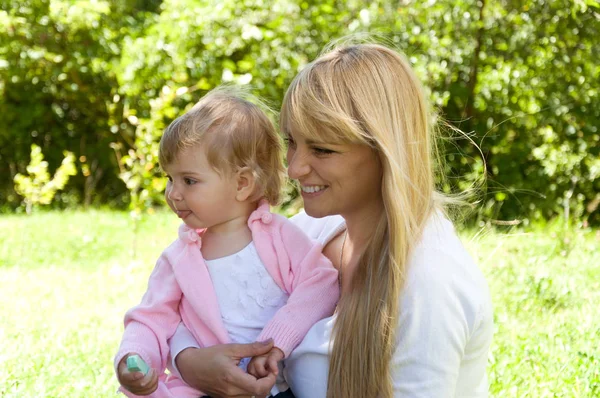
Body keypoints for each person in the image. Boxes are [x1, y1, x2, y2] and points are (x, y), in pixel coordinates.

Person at [168, 42, 494, 397]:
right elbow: (202, 303)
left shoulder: (430, 281)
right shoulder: (310, 233)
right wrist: (190, 362)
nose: (294, 168)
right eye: (292, 142)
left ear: (385, 150)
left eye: (322, 149)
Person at [113, 88, 339, 397]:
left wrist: (276, 342)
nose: (173, 194)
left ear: (242, 183)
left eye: (189, 180)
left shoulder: (279, 238)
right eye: (170, 178)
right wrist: (133, 357)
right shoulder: (179, 258)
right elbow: (151, 319)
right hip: (204, 388)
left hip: (272, 387)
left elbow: (321, 283)